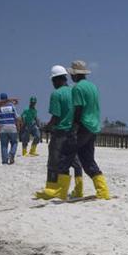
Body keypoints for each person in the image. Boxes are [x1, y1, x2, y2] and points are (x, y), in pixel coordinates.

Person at [67, 59, 110, 199]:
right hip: (93, 127)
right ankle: (103, 191)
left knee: (68, 155)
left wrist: (73, 127)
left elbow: (78, 109)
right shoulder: (93, 87)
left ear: (75, 75)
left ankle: (66, 189)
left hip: (83, 126)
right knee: (88, 160)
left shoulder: (77, 88)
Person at [33, 65, 76, 200]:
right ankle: (64, 191)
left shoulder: (56, 94)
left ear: (57, 80)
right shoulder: (73, 92)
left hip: (60, 132)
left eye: (53, 81)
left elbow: (56, 117)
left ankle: (51, 189)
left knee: (53, 162)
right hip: (73, 132)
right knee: (68, 162)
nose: (52, 84)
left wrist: (46, 127)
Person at [0, 92, 21, 164]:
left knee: (4, 145)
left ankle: (4, 160)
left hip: (2, 128)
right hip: (12, 127)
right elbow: (17, 117)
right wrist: (18, 126)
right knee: (14, 142)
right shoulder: (12, 106)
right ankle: (11, 154)